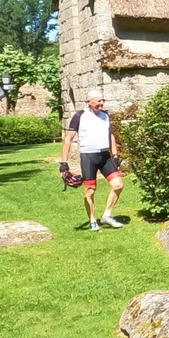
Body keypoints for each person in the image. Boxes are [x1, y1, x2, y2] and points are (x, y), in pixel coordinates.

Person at [61, 89, 124, 231]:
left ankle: (107, 215)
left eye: (103, 100)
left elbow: (110, 136)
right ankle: (92, 220)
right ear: (89, 102)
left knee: (118, 185)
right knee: (90, 190)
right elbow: (68, 139)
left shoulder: (105, 115)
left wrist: (115, 155)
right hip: (88, 157)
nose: (101, 103)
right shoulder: (79, 116)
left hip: (105, 156)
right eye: (98, 101)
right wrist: (64, 164)